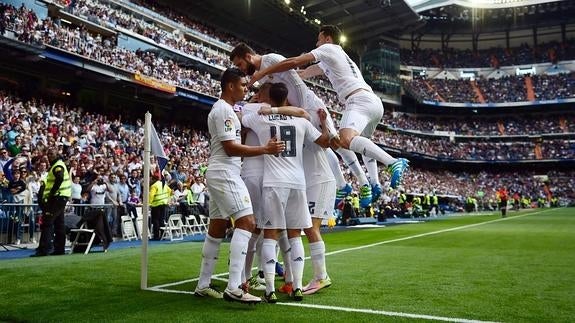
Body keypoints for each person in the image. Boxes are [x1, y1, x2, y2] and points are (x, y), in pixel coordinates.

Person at [249, 25, 409, 192]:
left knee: (344, 139)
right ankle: (375, 184)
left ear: (327, 38)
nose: (317, 44)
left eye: (319, 39)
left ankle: (392, 162)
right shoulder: (334, 58)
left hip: (358, 100)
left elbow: (294, 62)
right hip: (373, 103)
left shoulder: (329, 48)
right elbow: (301, 73)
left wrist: (262, 73)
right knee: (363, 144)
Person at [230, 43, 370, 207]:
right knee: (321, 146)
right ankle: (342, 185)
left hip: (310, 104)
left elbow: (289, 65)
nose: (242, 69)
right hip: (298, 111)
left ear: (248, 57)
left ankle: (363, 182)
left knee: (336, 141)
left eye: (240, 64)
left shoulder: (270, 59)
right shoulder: (261, 78)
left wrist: (262, 73)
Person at [193, 68, 285, 304]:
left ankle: (203, 284)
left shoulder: (227, 110)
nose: (247, 88)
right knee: (247, 222)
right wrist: (264, 149)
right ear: (230, 86)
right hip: (225, 172)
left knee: (217, 227)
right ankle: (234, 286)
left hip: (220, 171)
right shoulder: (223, 110)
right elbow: (230, 148)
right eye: (243, 85)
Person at [242, 82, 331, 303]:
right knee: (295, 235)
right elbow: (326, 142)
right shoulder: (301, 121)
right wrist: (325, 124)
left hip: (274, 183)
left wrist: (260, 103)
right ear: (286, 99)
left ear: (268, 98)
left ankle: (270, 289)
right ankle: (297, 286)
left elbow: (243, 118)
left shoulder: (260, 117)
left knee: (270, 235)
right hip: (297, 183)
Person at [31, 148, 71, 257]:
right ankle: (59, 249)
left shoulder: (58, 165)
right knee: (59, 223)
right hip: (61, 197)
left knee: (47, 222)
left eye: (52, 153)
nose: (49, 155)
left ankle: (44, 249)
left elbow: (60, 177)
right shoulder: (56, 164)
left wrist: (52, 192)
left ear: (57, 154)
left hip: (58, 197)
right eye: (48, 153)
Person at [149, 173, 171, 240]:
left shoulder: (154, 186)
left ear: (154, 179)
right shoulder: (163, 184)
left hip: (156, 205)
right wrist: (167, 199)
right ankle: (162, 235)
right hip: (164, 204)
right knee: (161, 220)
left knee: (155, 220)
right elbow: (169, 191)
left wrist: (149, 203)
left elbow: (151, 196)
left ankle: (156, 236)